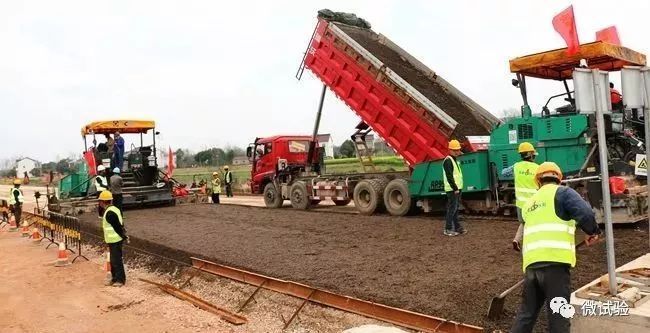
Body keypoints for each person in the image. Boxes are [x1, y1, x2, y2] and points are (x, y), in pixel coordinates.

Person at [511, 162, 601, 333]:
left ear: (538, 181)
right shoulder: (563, 192)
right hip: (555, 266)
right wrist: (592, 231)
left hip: (531, 266)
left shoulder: (530, 203)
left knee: (526, 315)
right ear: (559, 179)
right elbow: (586, 213)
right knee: (558, 315)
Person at [501, 142, 539, 250]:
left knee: (524, 222)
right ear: (530, 154)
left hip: (520, 204)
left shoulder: (516, 167)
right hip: (533, 203)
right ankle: (531, 246)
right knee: (533, 224)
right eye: (534, 154)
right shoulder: (537, 168)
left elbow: (503, 172)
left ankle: (516, 240)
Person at [98, 191, 128, 287]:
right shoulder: (114, 209)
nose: (99, 203)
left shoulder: (110, 212)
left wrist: (123, 236)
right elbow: (121, 224)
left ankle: (120, 280)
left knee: (116, 260)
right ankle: (115, 278)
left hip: (115, 239)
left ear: (103, 201)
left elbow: (117, 226)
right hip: (113, 240)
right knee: (113, 260)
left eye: (100, 201)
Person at [442, 139, 465, 236]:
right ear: (450, 150)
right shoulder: (448, 161)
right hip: (452, 190)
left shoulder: (454, 160)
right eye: (455, 150)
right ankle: (448, 229)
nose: (457, 152)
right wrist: (455, 188)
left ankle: (458, 228)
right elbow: (449, 176)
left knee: (455, 209)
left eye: (458, 150)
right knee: (452, 209)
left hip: (456, 189)